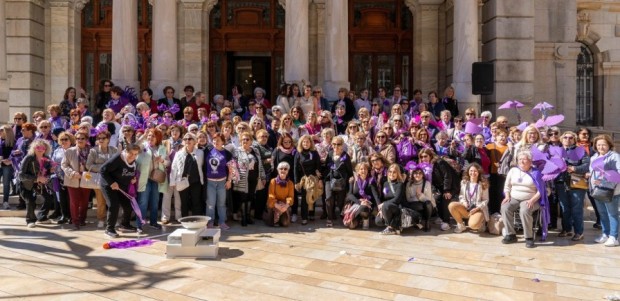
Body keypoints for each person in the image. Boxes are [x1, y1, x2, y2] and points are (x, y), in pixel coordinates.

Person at [501, 150, 548, 248]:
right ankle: (511, 234)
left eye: (524, 159)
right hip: (514, 197)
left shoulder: (536, 173)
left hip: (531, 199)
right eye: (520, 159)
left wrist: (532, 200)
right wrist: (507, 196)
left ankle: (529, 237)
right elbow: (507, 185)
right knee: (505, 207)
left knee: (525, 210)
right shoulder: (513, 170)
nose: (522, 161)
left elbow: (541, 190)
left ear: (530, 161)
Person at [554, 131, 590, 241]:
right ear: (561, 139)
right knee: (565, 208)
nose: (567, 139)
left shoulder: (580, 150)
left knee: (576, 209)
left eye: (571, 138)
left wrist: (575, 168)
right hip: (561, 182)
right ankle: (567, 229)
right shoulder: (556, 151)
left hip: (576, 183)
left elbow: (587, 165)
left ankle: (579, 232)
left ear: (574, 140)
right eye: (565, 137)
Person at [100, 144, 140, 238]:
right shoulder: (117, 159)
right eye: (131, 153)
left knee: (128, 204)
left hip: (121, 186)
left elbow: (129, 172)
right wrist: (112, 182)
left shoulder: (133, 160)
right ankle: (109, 229)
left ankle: (125, 224)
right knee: (114, 205)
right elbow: (103, 170)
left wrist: (132, 178)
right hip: (108, 185)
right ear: (126, 151)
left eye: (135, 154)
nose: (133, 156)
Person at [588, 134, 620, 247]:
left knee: (612, 214)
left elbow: (618, 173)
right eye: (599, 145)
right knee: (602, 213)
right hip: (596, 191)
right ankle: (605, 234)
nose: (601, 147)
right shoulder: (594, 157)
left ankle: (614, 237)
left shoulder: (614, 156)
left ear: (609, 145)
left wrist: (603, 181)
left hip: (610, 191)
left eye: (604, 145)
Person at [418, 148, 460, 231]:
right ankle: (441, 217)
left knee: (445, 198)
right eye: (421, 157)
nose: (423, 159)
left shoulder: (439, 163)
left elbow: (447, 176)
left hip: (451, 185)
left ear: (430, 156)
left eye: (425, 156)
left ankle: (446, 222)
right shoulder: (425, 166)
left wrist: (447, 190)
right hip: (439, 187)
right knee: (436, 199)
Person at [135, 128, 167, 232]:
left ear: (157, 138)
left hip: (156, 178)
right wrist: (142, 136)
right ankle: (140, 225)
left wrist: (162, 160)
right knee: (142, 202)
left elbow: (168, 163)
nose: (150, 137)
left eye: (153, 136)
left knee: (155, 202)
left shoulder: (162, 148)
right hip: (144, 178)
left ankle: (153, 223)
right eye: (149, 135)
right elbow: (133, 147)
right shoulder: (143, 145)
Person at [18, 139, 55, 227]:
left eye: (42, 147)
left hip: (39, 184)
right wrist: (36, 178)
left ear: (45, 149)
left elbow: (48, 174)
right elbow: (21, 175)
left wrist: (50, 172)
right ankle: (30, 220)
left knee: (49, 197)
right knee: (30, 200)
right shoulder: (29, 157)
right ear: (34, 148)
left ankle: (41, 217)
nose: (40, 149)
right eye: (38, 147)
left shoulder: (47, 159)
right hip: (26, 183)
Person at [86, 130, 118, 228]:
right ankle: (101, 219)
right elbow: (88, 165)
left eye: (103, 138)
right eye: (99, 138)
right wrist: (104, 168)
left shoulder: (114, 150)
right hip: (99, 178)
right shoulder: (93, 151)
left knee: (112, 201)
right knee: (100, 201)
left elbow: (117, 164)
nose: (101, 140)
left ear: (108, 139)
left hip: (112, 179)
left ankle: (113, 219)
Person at [232, 132, 266, 226]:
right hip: (242, 179)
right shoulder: (237, 151)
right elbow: (233, 165)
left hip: (254, 178)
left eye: (247, 139)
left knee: (251, 197)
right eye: (243, 139)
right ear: (240, 141)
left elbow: (260, 165)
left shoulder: (255, 150)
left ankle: (248, 216)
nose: (245, 141)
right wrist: (235, 177)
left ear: (251, 141)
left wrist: (262, 177)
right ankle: (243, 218)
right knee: (243, 198)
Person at [61, 131, 92, 230]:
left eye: (82, 138)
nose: (80, 140)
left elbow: (95, 164)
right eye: (78, 138)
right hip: (73, 179)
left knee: (85, 202)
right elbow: (64, 165)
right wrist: (72, 173)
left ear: (86, 140)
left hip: (87, 179)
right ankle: (75, 222)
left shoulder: (91, 151)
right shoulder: (70, 151)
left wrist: (88, 172)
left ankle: (82, 219)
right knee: (74, 202)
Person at [170, 133, 204, 217]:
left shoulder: (200, 153)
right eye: (185, 139)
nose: (187, 141)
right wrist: (172, 182)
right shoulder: (179, 153)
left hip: (196, 181)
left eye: (190, 139)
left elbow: (202, 166)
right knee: (184, 202)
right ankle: (185, 221)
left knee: (196, 202)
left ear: (194, 141)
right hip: (182, 181)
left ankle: (197, 220)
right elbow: (174, 168)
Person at [449, 163, 490, 233]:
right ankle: (461, 225)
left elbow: (486, 200)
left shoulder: (483, 184)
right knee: (452, 205)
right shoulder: (464, 182)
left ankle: (481, 222)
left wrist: (477, 208)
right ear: (468, 171)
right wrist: (464, 202)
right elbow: (461, 196)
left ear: (479, 172)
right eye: (471, 171)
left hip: (478, 209)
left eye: (475, 171)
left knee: (473, 226)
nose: (473, 173)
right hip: (467, 207)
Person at [205, 133, 233, 230]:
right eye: (214, 140)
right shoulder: (208, 150)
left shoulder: (227, 154)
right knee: (210, 203)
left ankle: (222, 222)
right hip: (210, 182)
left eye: (218, 140)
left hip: (222, 182)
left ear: (223, 142)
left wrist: (229, 181)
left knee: (221, 203)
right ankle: (210, 222)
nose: (215, 142)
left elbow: (231, 168)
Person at [324, 136, 352, 227]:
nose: (336, 146)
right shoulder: (330, 154)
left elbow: (349, 171)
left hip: (341, 182)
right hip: (330, 180)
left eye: (338, 144)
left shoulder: (345, 156)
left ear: (342, 145)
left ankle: (341, 215)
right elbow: (326, 167)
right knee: (328, 198)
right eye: (334, 144)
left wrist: (349, 181)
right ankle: (329, 217)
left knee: (340, 201)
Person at [294, 134, 322, 225]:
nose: (306, 143)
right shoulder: (298, 153)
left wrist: (319, 179)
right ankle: (304, 217)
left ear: (311, 143)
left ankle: (311, 214)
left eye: (308, 142)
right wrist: (296, 182)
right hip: (303, 179)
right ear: (301, 143)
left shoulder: (314, 153)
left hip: (313, 178)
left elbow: (318, 166)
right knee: (304, 198)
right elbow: (295, 169)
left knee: (312, 195)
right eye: (304, 142)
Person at [404, 164, 434, 231]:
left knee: (428, 203)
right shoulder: (408, 184)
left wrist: (420, 196)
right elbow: (408, 199)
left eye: (420, 173)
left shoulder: (427, 183)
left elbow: (428, 199)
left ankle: (427, 222)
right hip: (415, 205)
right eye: (416, 173)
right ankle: (416, 221)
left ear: (423, 175)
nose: (418, 175)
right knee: (416, 206)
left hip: (427, 206)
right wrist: (417, 197)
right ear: (413, 174)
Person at [377, 163, 405, 235]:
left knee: (386, 206)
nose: (392, 174)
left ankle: (390, 227)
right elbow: (383, 198)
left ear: (397, 173)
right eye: (390, 171)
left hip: (397, 207)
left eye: (394, 172)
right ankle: (395, 226)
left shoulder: (400, 184)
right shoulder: (386, 183)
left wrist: (383, 205)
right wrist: (381, 210)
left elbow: (397, 199)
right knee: (378, 221)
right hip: (387, 208)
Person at [266, 162, 295, 227]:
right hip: (274, 204)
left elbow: (291, 197)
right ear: (278, 170)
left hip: (284, 205)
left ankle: (281, 218)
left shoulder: (290, 183)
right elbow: (271, 195)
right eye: (281, 168)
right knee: (271, 224)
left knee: (285, 224)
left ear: (288, 171)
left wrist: (286, 206)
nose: (283, 170)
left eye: (285, 169)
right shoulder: (273, 181)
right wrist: (276, 205)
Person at [0, 125, 15, 210]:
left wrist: (10, 160)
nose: (0, 132)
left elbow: (15, 154)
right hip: (1, 163)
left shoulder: (13, 142)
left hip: (7, 165)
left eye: (2, 130)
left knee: (6, 184)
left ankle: (5, 202)